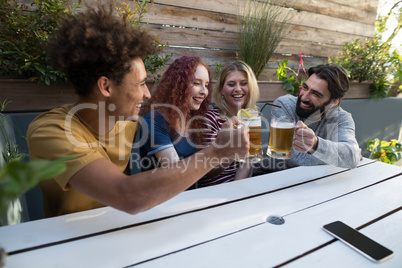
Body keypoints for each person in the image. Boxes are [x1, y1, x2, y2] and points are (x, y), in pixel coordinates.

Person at [26, 3, 249, 217]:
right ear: (106, 86)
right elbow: (127, 195)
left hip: (123, 224)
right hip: (66, 241)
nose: (147, 94)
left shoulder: (128, 123)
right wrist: (217, 151)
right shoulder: (50, 130)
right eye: (141, 83)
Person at [255, 64, 360, 174]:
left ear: (334, 102)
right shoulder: (284, 105)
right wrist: (337, 157)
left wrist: (316, 144)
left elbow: (352, 157)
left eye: (316, 94)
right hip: (271, 175)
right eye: (305, 88)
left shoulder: (342, 118)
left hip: (315, 181)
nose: (304, 97)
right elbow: (292, 157)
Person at [139, 56, 212, 177]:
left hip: (195, 194)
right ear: (178, 84)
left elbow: (205, 172)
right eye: (196, 83)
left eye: (207, 84)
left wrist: (230, 152)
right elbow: (177, 173)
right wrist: (217, 151)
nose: (204, 91)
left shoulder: (193, 120)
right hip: (164, 195)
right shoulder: (154, 121)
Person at [198, 60, 260, 187]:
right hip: (211, 193)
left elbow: (246, 162)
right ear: (221, 89)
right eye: (231, 84)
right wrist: (232, 151)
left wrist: (236, 193)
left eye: (244, 83)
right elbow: (207, 172)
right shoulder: (210, 119)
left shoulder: (251, 119)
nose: (238, 89)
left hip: (236, 190)